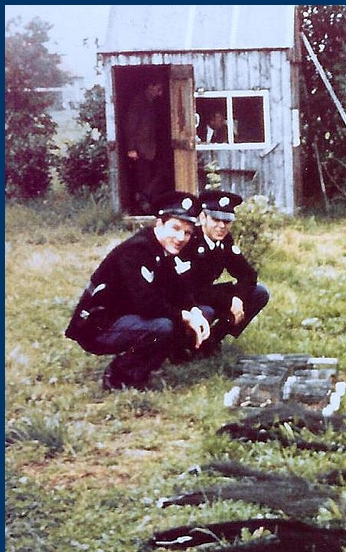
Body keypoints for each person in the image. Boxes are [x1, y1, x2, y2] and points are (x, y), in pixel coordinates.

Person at [65, 192, 212, 390]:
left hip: (122, 316)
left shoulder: (161, 249)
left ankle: (142, 370)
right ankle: (117, 376)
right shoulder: (137, 250)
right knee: (162, 326)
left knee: (194, 314)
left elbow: (179, 287)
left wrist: (194, 311)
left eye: (187, 233)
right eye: (175, 228)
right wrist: (185, 316)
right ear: (159, 224)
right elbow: (147, 304)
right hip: (96, 326)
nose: (181, 238)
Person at [179, 189, 270, 357]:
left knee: (260, 293)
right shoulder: (189, 240)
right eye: (215, 219)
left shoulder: (225, 240)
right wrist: (228, 300)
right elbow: (188, 288)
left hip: (205, 294)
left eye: (227, 221)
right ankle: (184, 348)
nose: (222, 226)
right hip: (184, 299)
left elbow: (248, 275)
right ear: (203, 218)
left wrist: (237, 298)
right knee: (206, 311)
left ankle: (213, 339)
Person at [125, 77, 167, 214]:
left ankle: (144, 198)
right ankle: (142, 205)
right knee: (144, 178)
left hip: (150, 148)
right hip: (140, 148)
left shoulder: (150, 102)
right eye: (158, 89)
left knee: (158, 174)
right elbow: (130, 126)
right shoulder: (138, 102)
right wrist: (131, 148)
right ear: (150, 86)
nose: (160, 93)